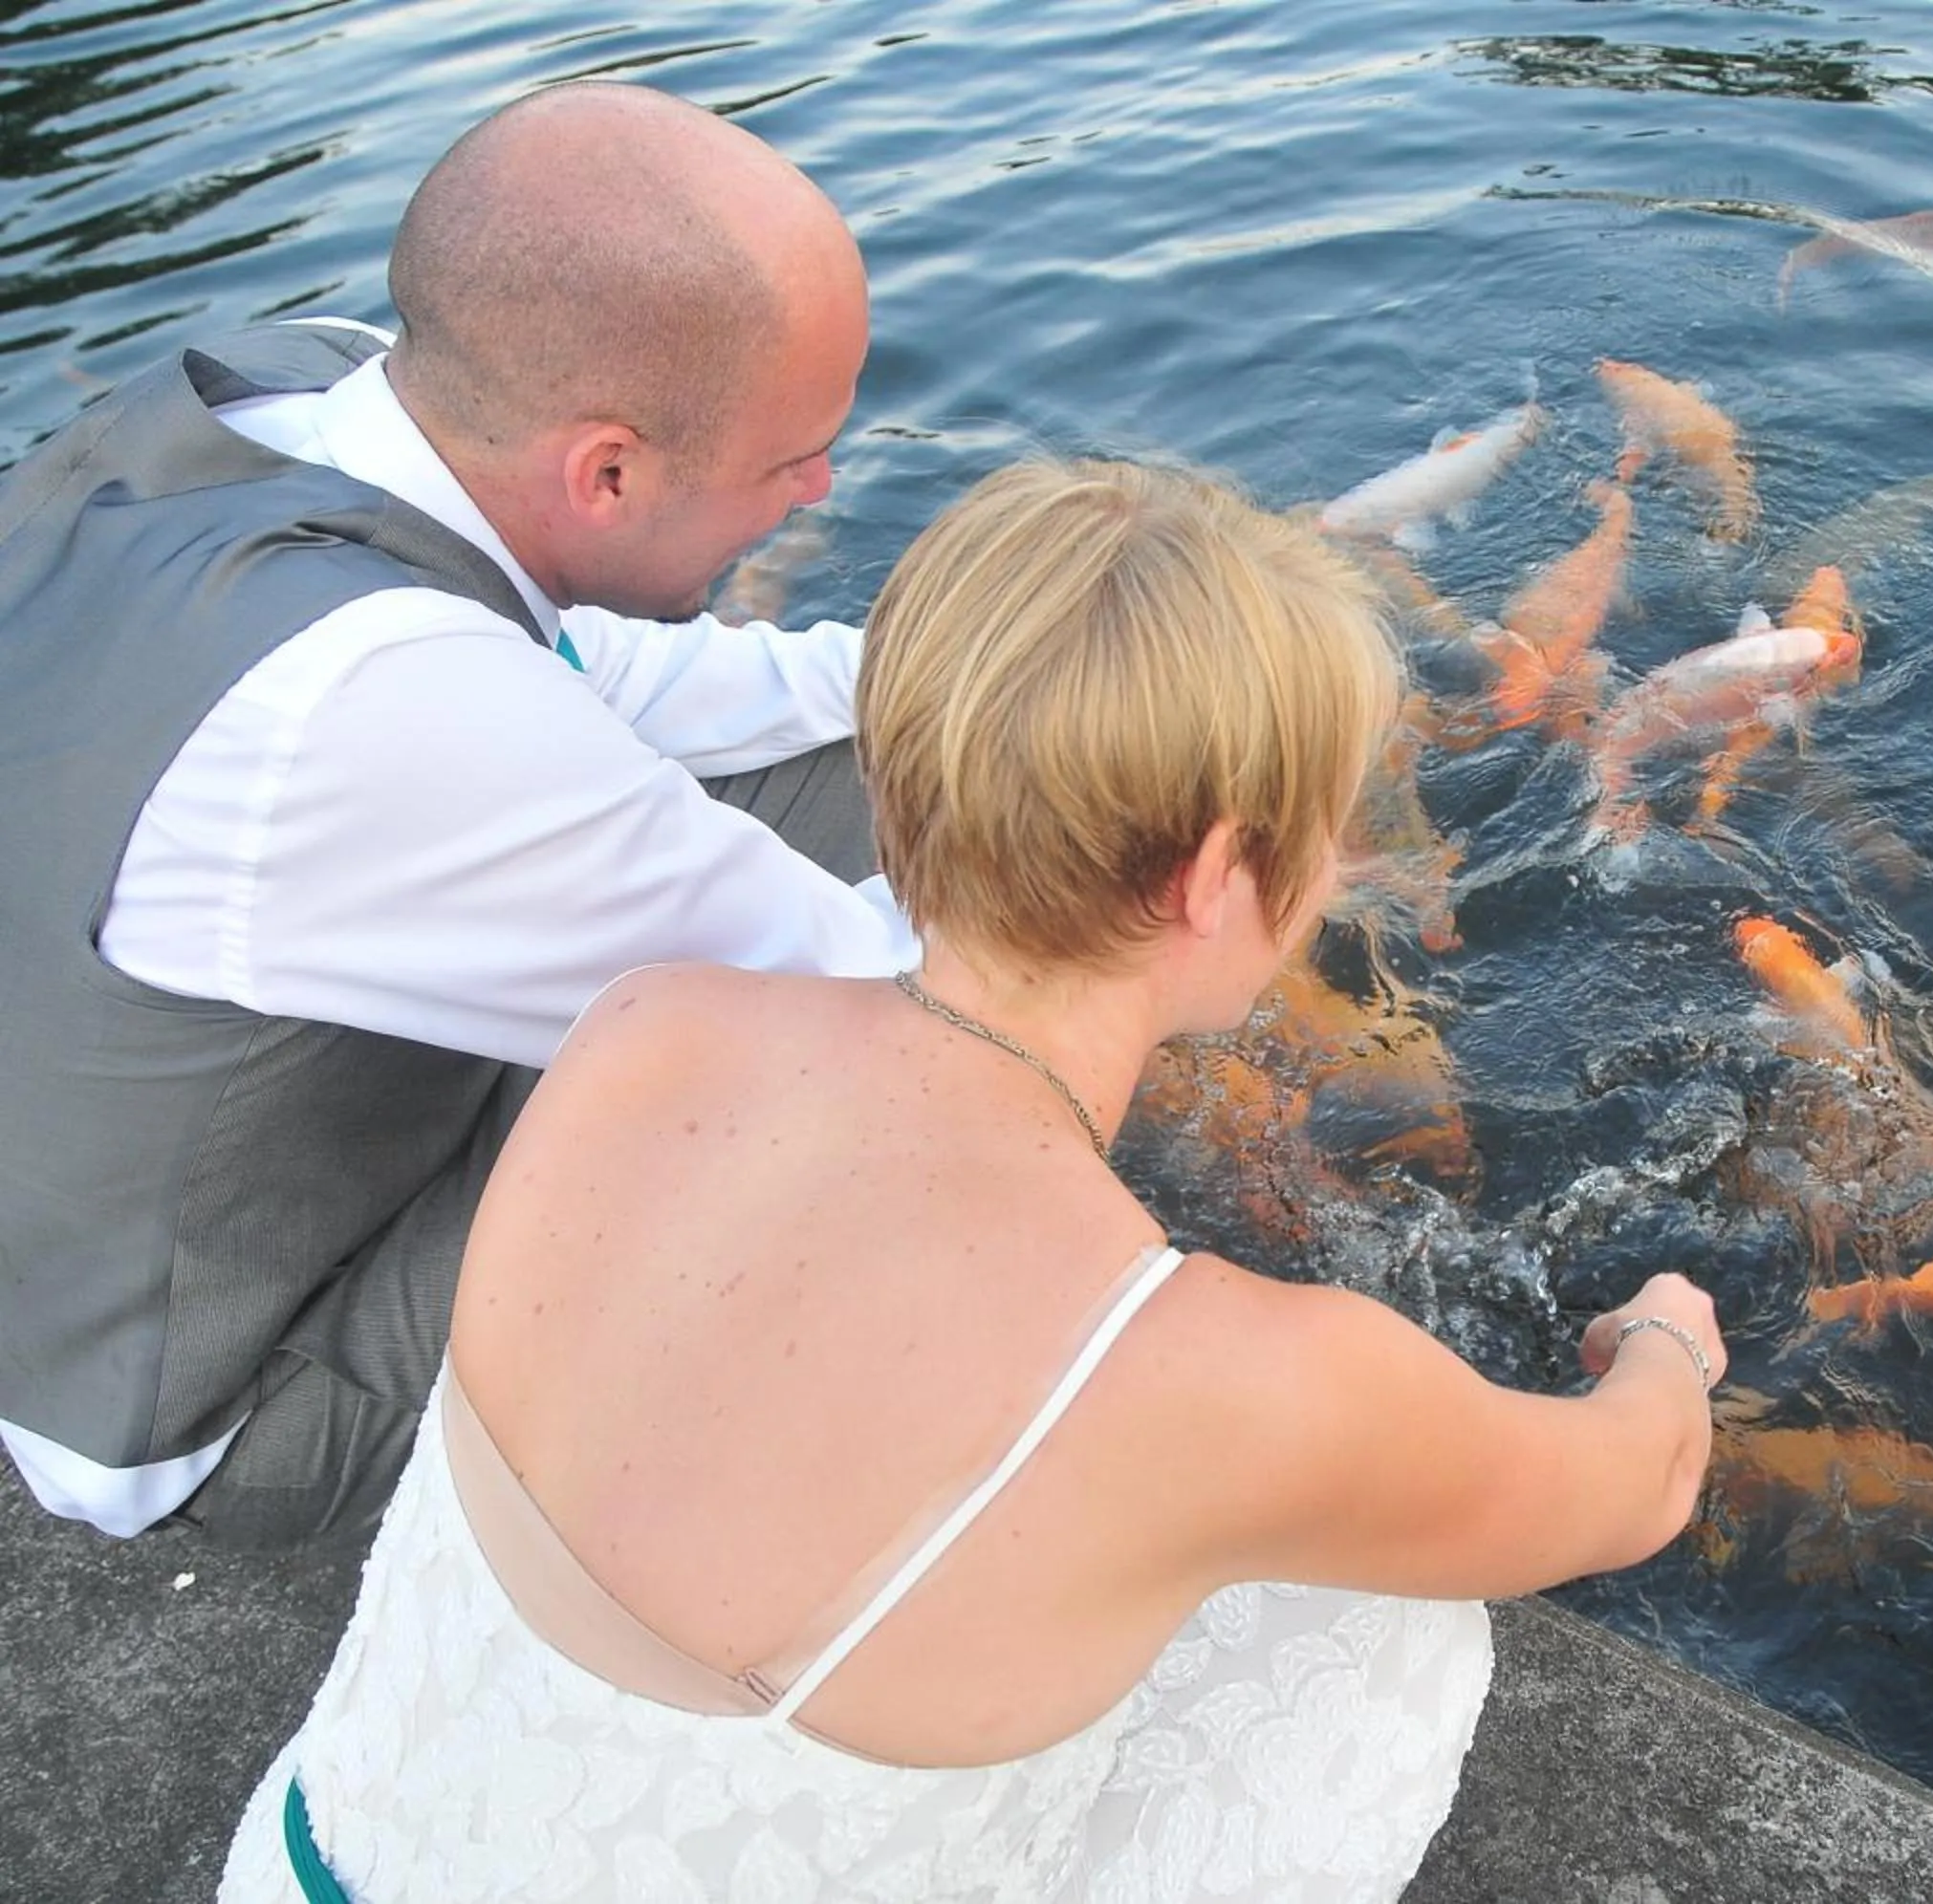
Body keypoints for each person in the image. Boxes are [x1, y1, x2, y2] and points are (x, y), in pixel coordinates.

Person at [212, 457, 1728, 1900]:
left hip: (299, 1868)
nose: (1337, 869)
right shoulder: (1216, 1374)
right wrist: (1667, 1337)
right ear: (1213, 879)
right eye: (1328, 827)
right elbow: (1639, 1483)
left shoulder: (643, 1030)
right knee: (1395, 1636)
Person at [0, 82, 911, 1549]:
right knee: (842, 1127)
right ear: (606, 471)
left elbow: (611, 671)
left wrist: (999, 678)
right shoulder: (382, 701)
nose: (822, 485)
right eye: (788, 461)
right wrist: (1149, 862)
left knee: (922, 773)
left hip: (153, 1164)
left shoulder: (324, 390)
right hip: (230, 1388)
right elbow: (880, 1012)